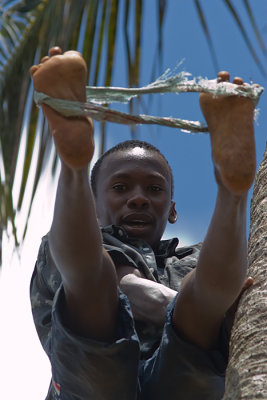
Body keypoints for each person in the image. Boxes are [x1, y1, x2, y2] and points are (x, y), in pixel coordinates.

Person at [30, 47, 256, 400]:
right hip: (94, 379)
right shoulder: (71, 242)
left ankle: (232, 190)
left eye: (154, 189)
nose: (139, 198)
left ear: (172, 210)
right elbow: (127, 289)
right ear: (91, 207)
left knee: (203, 304)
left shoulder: (197, 262)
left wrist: (208, 304)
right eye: (121, 188)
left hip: (181, 382)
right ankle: (72, 164)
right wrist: (202, 309)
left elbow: (212, 292)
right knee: (95, 284)